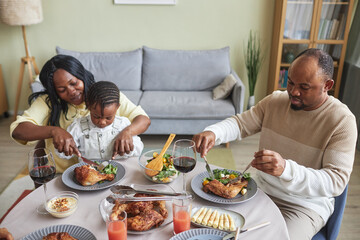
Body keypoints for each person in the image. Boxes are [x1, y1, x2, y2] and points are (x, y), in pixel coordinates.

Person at [192, 48, 357, 240]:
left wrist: (286, 169)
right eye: (291, 82)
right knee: (211, 228)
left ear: (327, 85)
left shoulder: (342, 121)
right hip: (261, 192)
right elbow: (240, 124)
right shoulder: (275, 101)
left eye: (304, 87)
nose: (294, 92)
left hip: (303, 207)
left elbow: (336, 181)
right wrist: (214, 132)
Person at [10, 55, 150, 173]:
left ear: (81, 76)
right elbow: (19, 131)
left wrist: (128, 132)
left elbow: (143, 119)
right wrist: (54, 131)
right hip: (63, 174)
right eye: (62, 89)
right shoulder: (48, 102)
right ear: (54, 91)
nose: (71, 91)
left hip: (110, 169)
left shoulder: (105, 96)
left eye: (74, 83)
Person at [57, 81, 144, 160]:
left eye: (108, 118)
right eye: (96, 116)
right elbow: (62, 155)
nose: (102, 122)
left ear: (117, 107)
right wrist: (65, 149)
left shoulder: (123, 124)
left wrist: (129, 148)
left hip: (120, 170)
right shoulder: (77, 126)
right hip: (89, 172)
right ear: (89, 106)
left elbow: (139, 149)